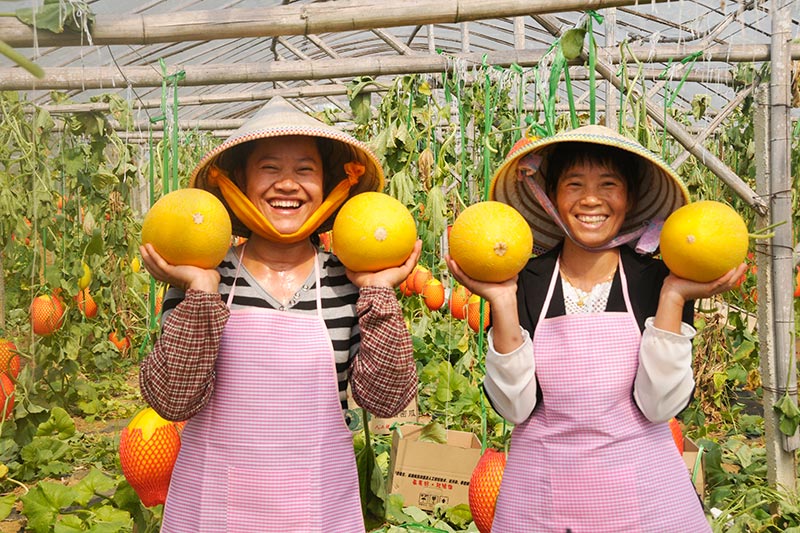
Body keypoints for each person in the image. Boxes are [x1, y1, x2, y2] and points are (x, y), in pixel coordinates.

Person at [445, 125, 747, 533]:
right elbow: (515, 408)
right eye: (574, 184)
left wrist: (674, 297)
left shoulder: (655, 282)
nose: (591, 199)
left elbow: (660, 407)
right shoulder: (525, 282)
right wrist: (501, 302)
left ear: (630, 198)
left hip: (646, 504)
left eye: (609, 184)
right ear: (551, 196)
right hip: (542, 504)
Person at [138, 96, 420, 532]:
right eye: (269, 168)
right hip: (213, 507)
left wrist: (381, 293)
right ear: (240, 184)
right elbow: (172, 400)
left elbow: (386, 400)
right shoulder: (206, 276)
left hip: (316, 508)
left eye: (304, 170)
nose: (287, 184)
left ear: (328, 188)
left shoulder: (350, 281)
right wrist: (200, 294)